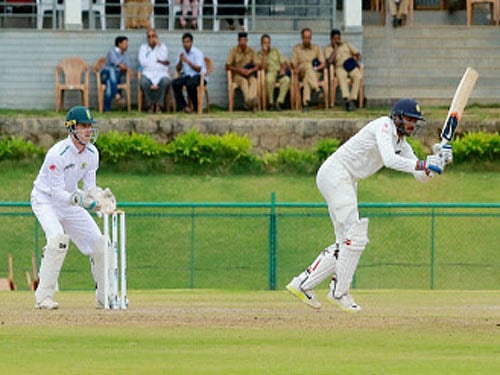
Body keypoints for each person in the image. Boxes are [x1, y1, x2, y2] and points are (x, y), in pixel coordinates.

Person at [286, 99, 453, 312]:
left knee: (344, 243)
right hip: (336, 173)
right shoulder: (383, 125)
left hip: (346, 179)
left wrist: (437, 162)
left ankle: (302, 284)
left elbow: (420, 176)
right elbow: (390, 160)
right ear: (397, 117)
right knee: (355, 235)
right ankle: (339, 292)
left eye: (415, 121)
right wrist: (424, 163)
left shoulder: (402, 144)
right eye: (410, 119)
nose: (412, 125)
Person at [31, 106, 117, 310]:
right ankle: (44, 297)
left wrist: (98, 202)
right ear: (72, 129)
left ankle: (106, 297)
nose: (88, 130)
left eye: (90, 126)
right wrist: (80, 200)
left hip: (70, 202)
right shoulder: (57, 154)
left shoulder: (92, 153)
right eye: (83, 126)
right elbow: (55, 192)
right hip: (46, 200)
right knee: (57, 241)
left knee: (100, 244)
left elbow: (89, 189)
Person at [325, 29, 363, 112]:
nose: (337, 40)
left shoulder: (346, 44)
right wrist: (335, 49)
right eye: (335, 39)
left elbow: (357, 53)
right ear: (331, 39)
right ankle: (347, 100)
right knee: (341, 77)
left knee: (358, 76)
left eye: (338, 38)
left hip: (350, 65)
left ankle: (352, 99)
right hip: (340, 67)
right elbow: (329, 61)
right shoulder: (328, 48)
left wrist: (357, 57)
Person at [291, 28, 326, 113]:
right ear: (302, 38)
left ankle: (305, 104)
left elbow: (323, 63)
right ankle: (317, 90)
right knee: (307, 65)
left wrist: (316, 68)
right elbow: (293, 63)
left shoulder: (316, 48)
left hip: (314, 73)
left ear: (311, 38)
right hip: (301, 72)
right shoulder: (296, 48)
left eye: (309, 38)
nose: (307, 40)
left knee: (307, 79)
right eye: (305, 38)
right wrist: (295, 68)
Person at [172, 32, 207, 113]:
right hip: (187, 76)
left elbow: (198, 69)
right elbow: (178, 69)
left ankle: (196, 107)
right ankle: (184, 107)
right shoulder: (181, 53)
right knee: (175, 83)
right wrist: (180, 61)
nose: (185, 44)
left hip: (198, 76)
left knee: (190, 84)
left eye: (187, 42)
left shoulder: (197, 53)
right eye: (184, 42)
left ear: (191, 42)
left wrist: (187, 61)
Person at [138, 28, 171, 113]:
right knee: (143, 82)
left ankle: (159, 105)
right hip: (147, 73)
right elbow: (143, 62)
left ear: (156, 37)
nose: (151, 38)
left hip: (161, 73)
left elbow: (164, 58)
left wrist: (159, 47)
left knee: (165, 81)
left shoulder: (163, 47)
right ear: (147, 38)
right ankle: (150, 105)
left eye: (153, 36)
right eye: (149, 37)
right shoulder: (143, 48)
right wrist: (156, 61)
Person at [256, 33, 291, 112]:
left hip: (279, 72)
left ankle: (279, 102)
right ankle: (271, 103)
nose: (267, 45)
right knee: (269, 79)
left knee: (286, 80)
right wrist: (264, 54)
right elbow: (263, 68)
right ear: (261, 44)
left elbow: (284, 62)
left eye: (268, 43)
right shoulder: (259, 54)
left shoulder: (275, 50)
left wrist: (283, 69)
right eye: (265, 43)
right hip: (269, 73)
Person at [225, 31, 259, 111]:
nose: (243, 42)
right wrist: (239, 70)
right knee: (244, 82)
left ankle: (248, 103)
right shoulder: (233, 51)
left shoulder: (251, 51)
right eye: (241, 41)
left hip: (249, 73)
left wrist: (251, 70)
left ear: (247, 41)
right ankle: (250, 103)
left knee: (254, 81)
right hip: (238, 75)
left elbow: (258, 65)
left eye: (245, 40)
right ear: (238, 41)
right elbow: (227, 66)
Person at [101, 36, 132, 112]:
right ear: (119, 44)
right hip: (105, 74)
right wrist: (126, 68)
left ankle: (106, 108)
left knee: (109, 85)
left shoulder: (126, 55)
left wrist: (126, 68)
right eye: (125, 43)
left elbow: (127, 65)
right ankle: (116, 94)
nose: (127, 45)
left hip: (116, 77)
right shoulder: (112, 52)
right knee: (111, 70)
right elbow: (118, 64)